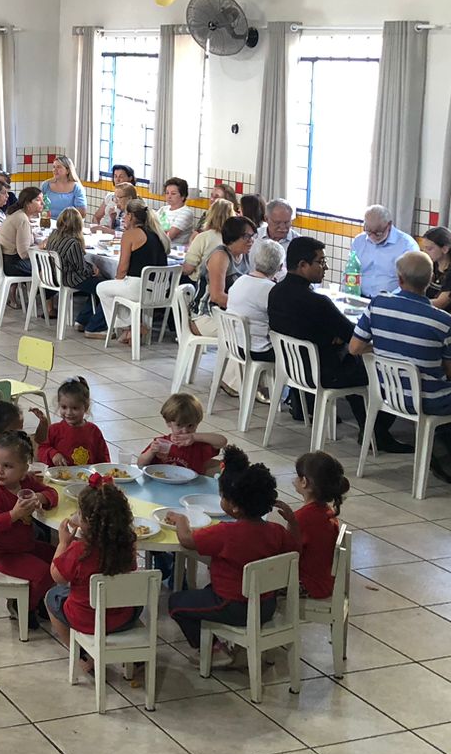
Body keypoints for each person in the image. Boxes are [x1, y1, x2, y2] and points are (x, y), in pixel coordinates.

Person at [350, 250, 451, 484]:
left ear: (399, 279)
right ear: (430, 281)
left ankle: (442, 444)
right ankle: (446, 448)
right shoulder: (443, 321)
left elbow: (355, 348)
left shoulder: (378, 304)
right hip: (431, 399)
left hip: (387, 394)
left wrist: (383, 349)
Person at [168, 447, 299, 655]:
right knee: (206, 592)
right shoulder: (276, 531)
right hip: (266, 605)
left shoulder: (226, 532)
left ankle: (213, 651)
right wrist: (292, 522)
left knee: (176, 603)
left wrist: (181, 519)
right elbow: (293, 548)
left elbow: (187, 540)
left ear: (235, 506)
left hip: (233, 604)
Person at [267, 237, 391, 440]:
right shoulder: (316, 301)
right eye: (321, 262)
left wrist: (336, 338)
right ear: (302, 265)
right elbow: (353, 336)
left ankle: (371, 431)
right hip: (324, 373)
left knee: (351, 357)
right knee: (372, 369)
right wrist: (338, 339)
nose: (325, 268)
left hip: (292, 369)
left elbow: (303, 330)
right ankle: (376, 433)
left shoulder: (276, 292)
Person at [45, 478, 139, 665]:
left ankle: (82, 657)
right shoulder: (129, 545)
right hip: (124, 616)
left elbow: (57, 577)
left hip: (87, 619)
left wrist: (63, 543)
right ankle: (134, 659)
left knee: (51, 597)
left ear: (87, 521)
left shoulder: (80, 551)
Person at [0, 430, 59, 628]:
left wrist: (40, 498)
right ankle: (23, 608)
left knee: (59, 559)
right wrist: (13, 514)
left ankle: (41, 601)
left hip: (25, 544)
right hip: (2, 553)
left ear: (24, 469)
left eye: (7, 466)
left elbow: (51, 492)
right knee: (44, 573)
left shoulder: (25, 482)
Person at [87, 198, 168, 337]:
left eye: (125, 214)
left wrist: (117, 281)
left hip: (138, 288)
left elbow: (122, 269)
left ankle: (126, 327)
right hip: (160, 290)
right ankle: (132, 327)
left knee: (102, 288)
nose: (123, 217)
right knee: (118, 290)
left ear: (130, 216)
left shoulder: (130, 235)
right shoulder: (158, 234)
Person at [292, 450, 348, 599]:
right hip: (325, 581)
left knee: (257, 583)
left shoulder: (302, 518)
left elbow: (288, 553)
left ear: (304, 482)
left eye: (298, 476)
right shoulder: (327, 511)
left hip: (309, 584)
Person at [189, 215, 255, 339]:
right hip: (206, 315)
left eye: (252, 236)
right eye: (247, 237)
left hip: (227, 312)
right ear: (233, 237)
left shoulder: (244, 255)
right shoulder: (220, 256)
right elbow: (217, 296)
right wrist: (246, 307)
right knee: (248, 335)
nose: (251, 240)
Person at [225, 237, 283, 370]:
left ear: (255, 260)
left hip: (234, 343)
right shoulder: (271, 290)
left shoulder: (240, 280)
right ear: (280, 267)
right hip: (258, 350)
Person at [137, 392, 226, 474]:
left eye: (190, 425)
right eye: (179, 425)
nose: (185, 431)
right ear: (169, 423)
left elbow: (222, 441)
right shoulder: (161, 443)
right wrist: (151, 452)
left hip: (192, 487)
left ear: (197, 423)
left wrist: (195, 437)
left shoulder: (199, 445)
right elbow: (140, 464)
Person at [40, 376, 111, 467]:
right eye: (64, 407)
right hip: (60, 478)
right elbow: (42, 449)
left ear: (85, 407)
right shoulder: (54, 430)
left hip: (88, 479)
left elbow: (104, 459)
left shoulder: (93, 431)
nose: (69, 413)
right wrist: (53, 454)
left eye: (75, 408)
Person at [46, 207, 99, 327]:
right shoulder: (73, 243)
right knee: (102, 287)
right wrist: (93, 269)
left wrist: (90, 266)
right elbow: (82, 270)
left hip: (54, 275)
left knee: (96, 284)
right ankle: (83, 320)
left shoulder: (54, 235)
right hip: (69, 279)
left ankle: (83, 318)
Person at [352, 204, 420, 298]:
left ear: (389, 225)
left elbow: (410, 283)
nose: (372, 236)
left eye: (378, 233)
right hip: (360, 297)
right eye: (368, 231)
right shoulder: (359, 241)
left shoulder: (407, 245)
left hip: (392, 300)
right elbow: (350, 271)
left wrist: (390, 299)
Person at [0, 186, 44, 279]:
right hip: (10, 264)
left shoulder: (18, 214)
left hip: (1, 261)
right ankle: (41, 293)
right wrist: (42, 245)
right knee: (47, 266)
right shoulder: (22, 219)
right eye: (38, 200)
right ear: (28, 203)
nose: (42, 203)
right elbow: (24, 254)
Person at [182, 199, 236, 278]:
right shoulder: (234, 239)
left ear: (211, 215)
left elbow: (188, 269)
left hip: (200, 283)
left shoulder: (203, 237)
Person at [421, 226, 451, 311]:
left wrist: (415, 303)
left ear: (445, 249)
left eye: (429, 249)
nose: (425, 253)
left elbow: (441, 303)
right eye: (424, 249)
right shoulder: (431, 264)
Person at [158, 177, 202, 249]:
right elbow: (151, 227)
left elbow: (169, 236)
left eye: (173, 193)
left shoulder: (186, 213)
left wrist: (157, 231)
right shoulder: (163, 209)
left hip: (174, 252)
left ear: (183, 196)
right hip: (159, 248)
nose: (169, 196)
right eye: (167, 193)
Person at [92, 165, 135, 230]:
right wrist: (97, 230)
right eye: (115, 176)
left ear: (130, 178)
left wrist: (106, 230)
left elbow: (125, 231)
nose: (117, 180)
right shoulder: (109, 196)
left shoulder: (133, 201)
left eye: (121, 176)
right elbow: (96, 217)